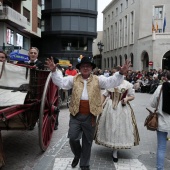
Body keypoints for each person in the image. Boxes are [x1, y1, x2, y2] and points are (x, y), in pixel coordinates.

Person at [45, 56, 131, 170]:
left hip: (90, 116)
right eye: (83, 66)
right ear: (79, 68)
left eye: (88, 66)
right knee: (73, 138)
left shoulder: (98, 79)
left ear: (91, 68)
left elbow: (111, 82)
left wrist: (120, 73)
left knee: (87, 141)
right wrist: (54, 71)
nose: (85, 68)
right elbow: (61, 82)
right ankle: (77, 154)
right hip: (76, 114)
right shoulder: (73, 79)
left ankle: (85, 165)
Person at [95, 71, 140, 162]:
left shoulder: (127, 84)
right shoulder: (111, 84)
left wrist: (126, 99)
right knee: (111, 126)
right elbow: (104, 95)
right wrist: (99, 106)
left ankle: (115, 150)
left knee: (120, 127)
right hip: (110, 107)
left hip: (122, 108)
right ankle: (112, 145)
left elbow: (132, 96)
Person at [150, 72, 170, 170]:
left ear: (166, 78)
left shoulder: (161, 88)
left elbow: (152, 104)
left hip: (163, 122)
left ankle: (160, 168)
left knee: (161, 148)